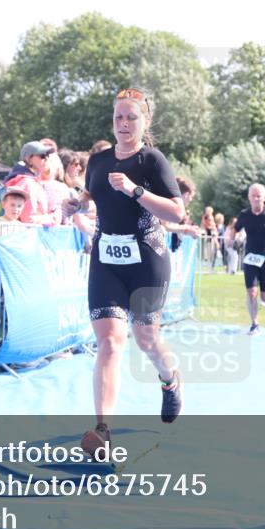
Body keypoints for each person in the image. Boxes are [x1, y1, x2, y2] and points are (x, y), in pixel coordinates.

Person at [60, 88, 186, 457]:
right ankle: (102, 431)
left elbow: (177, 212)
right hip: (107, 261)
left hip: (147, 260)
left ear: (145, 121)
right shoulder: (98, 160)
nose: (124, 123)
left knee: (146, 338)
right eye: (118, 117)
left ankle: (169, 379)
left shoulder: (152, 161)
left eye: (131, 117)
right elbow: (91, 194)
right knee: (110, 342)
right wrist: (76, 204)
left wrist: (136, 191)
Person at [225, 183, 265, 336]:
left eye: (259, 196)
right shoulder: (244, 214)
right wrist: (232, 240)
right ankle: (255, 324)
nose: (256, 199)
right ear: (249, 197)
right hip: (250, 259)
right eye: (253, 196)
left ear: (264, 198)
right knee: (252, 292)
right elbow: (235, 229)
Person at [3, 141, 55, 224]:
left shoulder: (29, 181)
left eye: (47, 156)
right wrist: (51, 218)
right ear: (29, 159)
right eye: (42, 156)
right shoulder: (28, 183)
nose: (46, 159)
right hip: (28, 231)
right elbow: (29, 220)